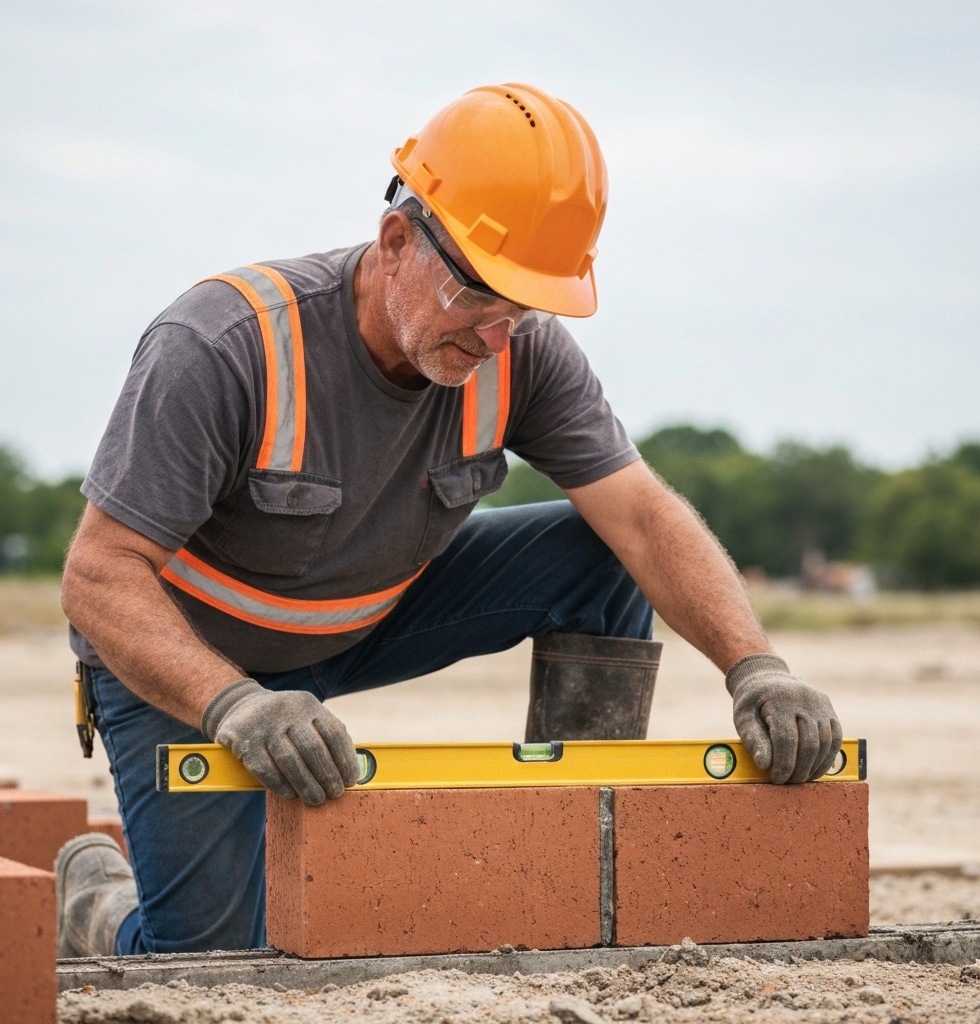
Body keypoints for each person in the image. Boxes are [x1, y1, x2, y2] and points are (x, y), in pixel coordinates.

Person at [55, 83, 843, 958]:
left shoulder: (519, 351)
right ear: (398, 242)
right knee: (212, 961)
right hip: (194, 663)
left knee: (600, 552)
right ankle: (96, 908)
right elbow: (97, 576)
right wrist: (233, 705)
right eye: (481, 297)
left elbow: (646, 523)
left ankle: (576, 858)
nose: (498, 337)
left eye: (525, 307)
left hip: (371, 619)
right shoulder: (226, 346)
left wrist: (756, 666)